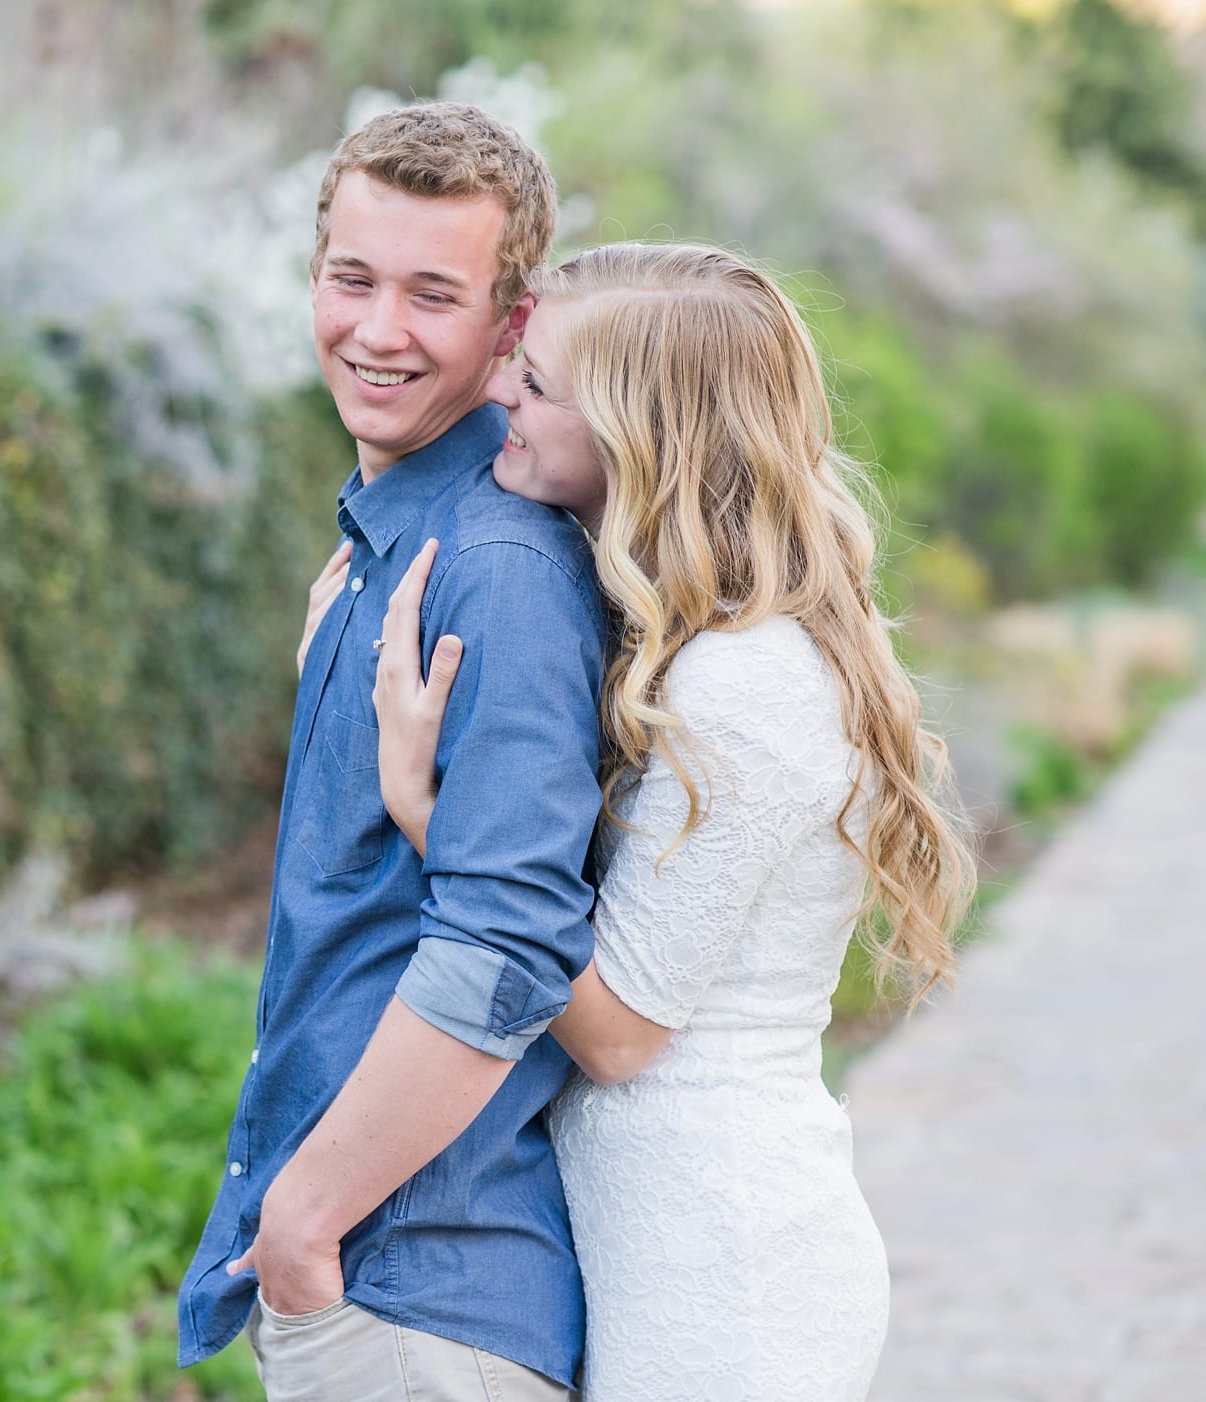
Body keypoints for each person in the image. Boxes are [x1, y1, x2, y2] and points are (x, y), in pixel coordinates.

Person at [368, 242, 978, 1401]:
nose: (501, 391)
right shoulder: (698, 641)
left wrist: (427, 811)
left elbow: (621, 1034)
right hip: (666, 1242)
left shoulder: (746, 686)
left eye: (539, 383)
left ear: (646, 433)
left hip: (724, 1274)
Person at [176, 103, 603, 1399]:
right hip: (370, 1296)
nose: (376, 330)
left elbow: (507, 941)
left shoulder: (497, 569)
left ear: (511, 323)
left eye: (434, 294)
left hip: (419, 1305)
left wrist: (305, 1221)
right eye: (353, 278)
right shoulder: (388, 544)